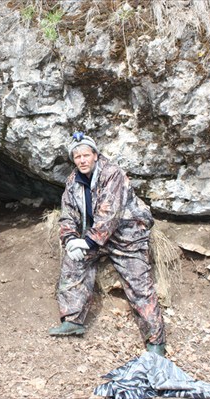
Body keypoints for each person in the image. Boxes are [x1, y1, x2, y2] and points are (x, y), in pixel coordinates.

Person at [48, 131, 166, 356]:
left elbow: (109, 213)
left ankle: (156, 341)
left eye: (86, 155)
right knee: (73, 265)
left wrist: (88, 241)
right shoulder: (73, 181)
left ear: (95, 155)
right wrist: (71, 239)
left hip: (127, 235)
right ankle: (73, 320)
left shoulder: (113, 174)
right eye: (77, 157)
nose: (82, 160)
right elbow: (68, 214)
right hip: (95, 237)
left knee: (140, 285)